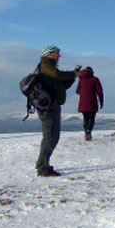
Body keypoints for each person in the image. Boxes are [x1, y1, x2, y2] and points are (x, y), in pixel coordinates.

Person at [35, 45, 78, 177]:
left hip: (52, 106)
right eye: (57, 53)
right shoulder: (46, 64)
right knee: (50, 137)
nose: (59, 56)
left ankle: (43, 165)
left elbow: (62, 85)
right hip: (48, 108)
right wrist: (74, 74)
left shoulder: (50, 66)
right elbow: (57, 75)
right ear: (50, 54)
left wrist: (73, 75)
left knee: (52, 137)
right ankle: (43, 167)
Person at [76, 66, 104, 141]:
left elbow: (77, 91)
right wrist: (101, 102)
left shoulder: (81, 80)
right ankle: (89, 131)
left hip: (83, 102)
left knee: (85, 118)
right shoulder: (95, 79)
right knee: (91, 118)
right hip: (92, 101)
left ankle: (86, 132)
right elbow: (100, 92)